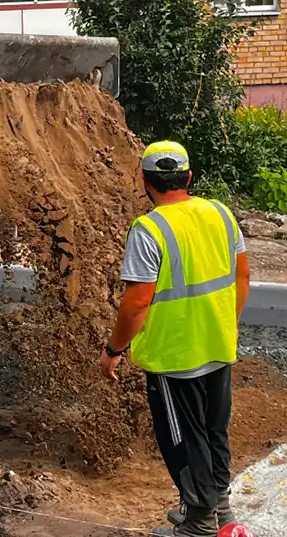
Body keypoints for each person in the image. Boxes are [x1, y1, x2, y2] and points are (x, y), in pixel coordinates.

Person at [99, 141, 251, 537]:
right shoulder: (220, 213)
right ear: (189, 177)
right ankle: (220, 507)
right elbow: (243, 277)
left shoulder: (149, 229)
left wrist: (114, 350)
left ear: (145, 182)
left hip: (173, 357)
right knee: (214, 428)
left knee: (183, 439)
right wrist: (224, 323)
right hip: (218, 345)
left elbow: (136, 304)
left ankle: (200, 523)